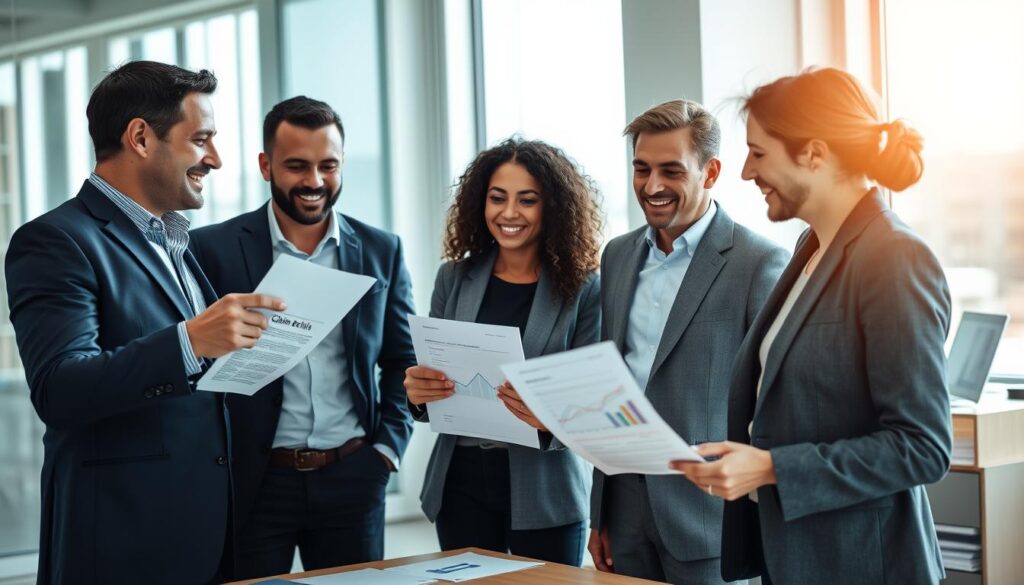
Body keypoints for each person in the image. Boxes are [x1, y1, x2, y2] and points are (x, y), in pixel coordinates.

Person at [4, 61, 285, 584]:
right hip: (122, 543)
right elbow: (60, 388)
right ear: (139, 137)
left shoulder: (178, 242)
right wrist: (189, 340)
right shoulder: (55, 241)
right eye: (200, 139)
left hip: (205, 534)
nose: (216, 159)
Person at [672, 68, 952, 585]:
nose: (745, 172)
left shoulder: (893, 257)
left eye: (759, 153)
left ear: (815, 154)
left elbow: (922, 446)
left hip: (866, 565)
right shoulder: (811, 248)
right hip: (797, 558)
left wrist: (772, 467)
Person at [190, 96, 417, 579]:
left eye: (327, 166)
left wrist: (387, 452)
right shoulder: (210, 250)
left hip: (354, 474)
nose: (314, 181)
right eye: (297, 166)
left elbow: (402, 361)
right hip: (254, 480)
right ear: (265, 165)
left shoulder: (381, 250)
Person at [588, 99, 788, 585]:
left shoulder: (759, 263)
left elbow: (774, 403)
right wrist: (602, 511)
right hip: (625, 509)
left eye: (671, 171)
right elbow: (614, 382)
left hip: (710, 517)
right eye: (642, 169)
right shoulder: (616, 255)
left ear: (711, 171)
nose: (651, 186)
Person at [403, 137, 602, 565]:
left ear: (552, 207)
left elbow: (592, 399)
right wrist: (418, 394)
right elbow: (432, 377)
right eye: (498, 198)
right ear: (481, 202)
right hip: (460, 482)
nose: (509, 213)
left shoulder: (585, 288)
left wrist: (548, 413)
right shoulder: (454, 278)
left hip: (546, 488)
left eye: (526, 200)